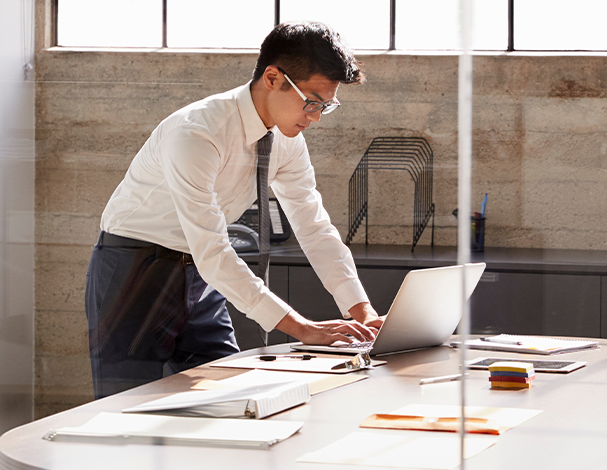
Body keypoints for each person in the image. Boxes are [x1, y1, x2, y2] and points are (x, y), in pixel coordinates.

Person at [84, 21, 383, 399]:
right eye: (311, 101)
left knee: (231, 397)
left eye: (326, 105)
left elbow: (314, 228)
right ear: (273, 77)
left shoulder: (286, 141)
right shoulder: (197, 132)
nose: (316, 116)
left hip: (200, 272)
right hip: (136, 268)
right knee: (124, 407)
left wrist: (363, 315)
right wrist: (304, 329)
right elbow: (213, 250)